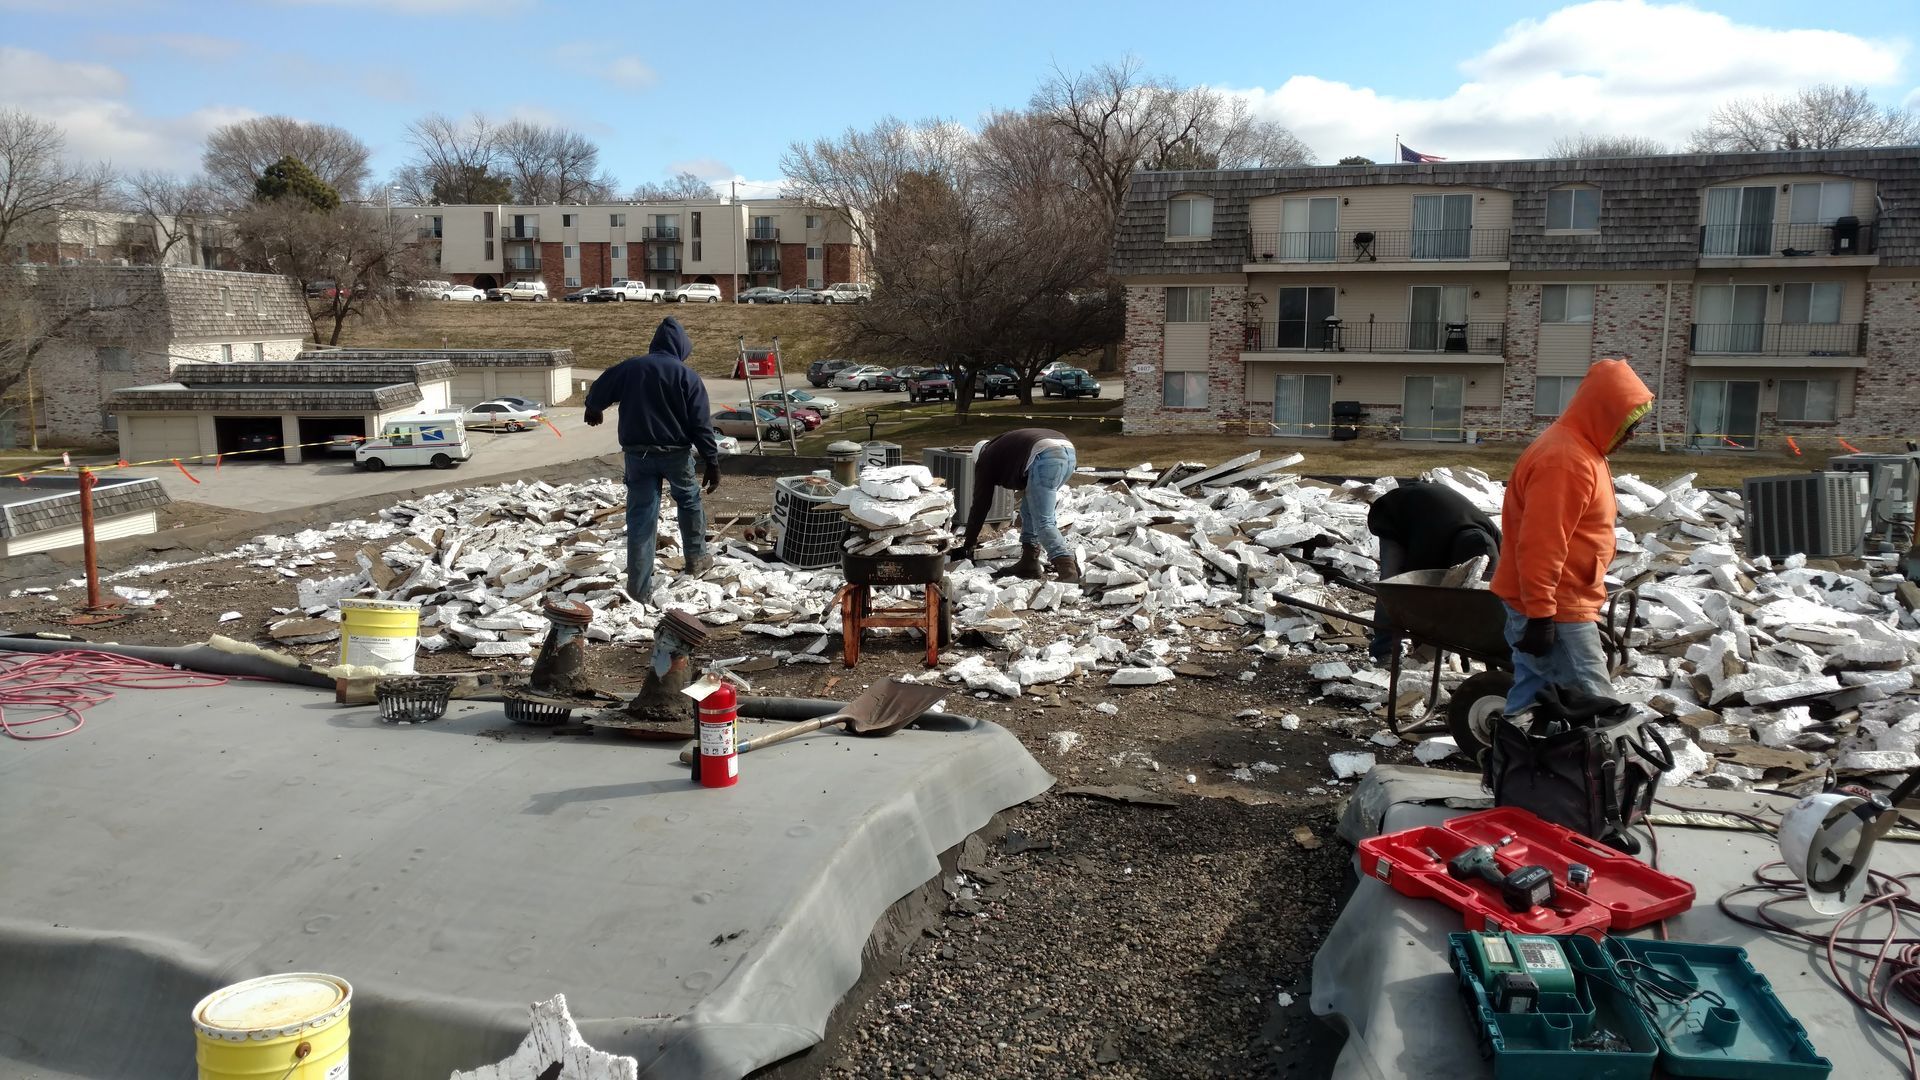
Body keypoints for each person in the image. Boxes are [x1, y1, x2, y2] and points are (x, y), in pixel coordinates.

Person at [1490, 358, 1653, 716]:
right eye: (1628, 426)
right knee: (1592, 706)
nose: (1631, 436)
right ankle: (1594, 770)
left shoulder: (1582, 448)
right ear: (1605, 415)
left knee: (1536, 691)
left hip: (1561, 600)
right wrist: (1541, 615)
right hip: (1559, 607)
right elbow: (1541, 545)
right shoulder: (1565, 461)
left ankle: (1512, 765)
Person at [583, 317, 721, 605]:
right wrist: (712, 460)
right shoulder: (687, 376)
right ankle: (696, 559)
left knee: (641, 519)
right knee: (689, 502)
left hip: (638, 456)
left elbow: (601, 385)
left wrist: (594, 408)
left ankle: (638, 588)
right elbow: (700, 423)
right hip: (676, 454)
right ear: (681, 347)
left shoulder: (632, 368)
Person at [1365, 481, 1502, 661]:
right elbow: (1419, 592)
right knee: (1392, 585)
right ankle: (1384, 650)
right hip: (1397, 512)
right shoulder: (1430, 546)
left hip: (1437, 510)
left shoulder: (1496, 540)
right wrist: (1422, 645)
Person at [954, 428, 1080, 581]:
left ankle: (1067, 569)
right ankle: (1029, 563)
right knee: (1029, 510)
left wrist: (969, 542)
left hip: (1046, 456)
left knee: (1043, 520)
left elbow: (981, 503)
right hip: (1068, 453)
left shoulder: (986, 458)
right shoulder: (1003, 447)